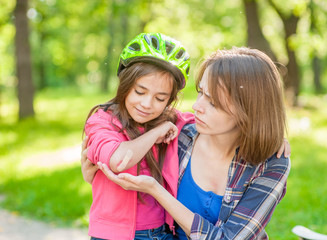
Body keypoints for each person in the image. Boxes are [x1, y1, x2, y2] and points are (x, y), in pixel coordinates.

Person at [82, 46, 291, 240]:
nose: (197, 106)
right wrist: (96, 173)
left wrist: (157, 191)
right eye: (200, 92)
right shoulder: (180, 137)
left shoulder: (271, 164)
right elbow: (126, 145)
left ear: (249, 112)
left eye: (213, 102)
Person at [83, 32, 195, 240]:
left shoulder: (168, 120)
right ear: (125, 85)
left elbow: (215, 125)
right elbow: (118, 160)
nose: (147, 104)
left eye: (160, 98)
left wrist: (272, 137)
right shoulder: (101, 121)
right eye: (140, 92)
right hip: (112, 236)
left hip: (163, 232)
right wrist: (155, 134)